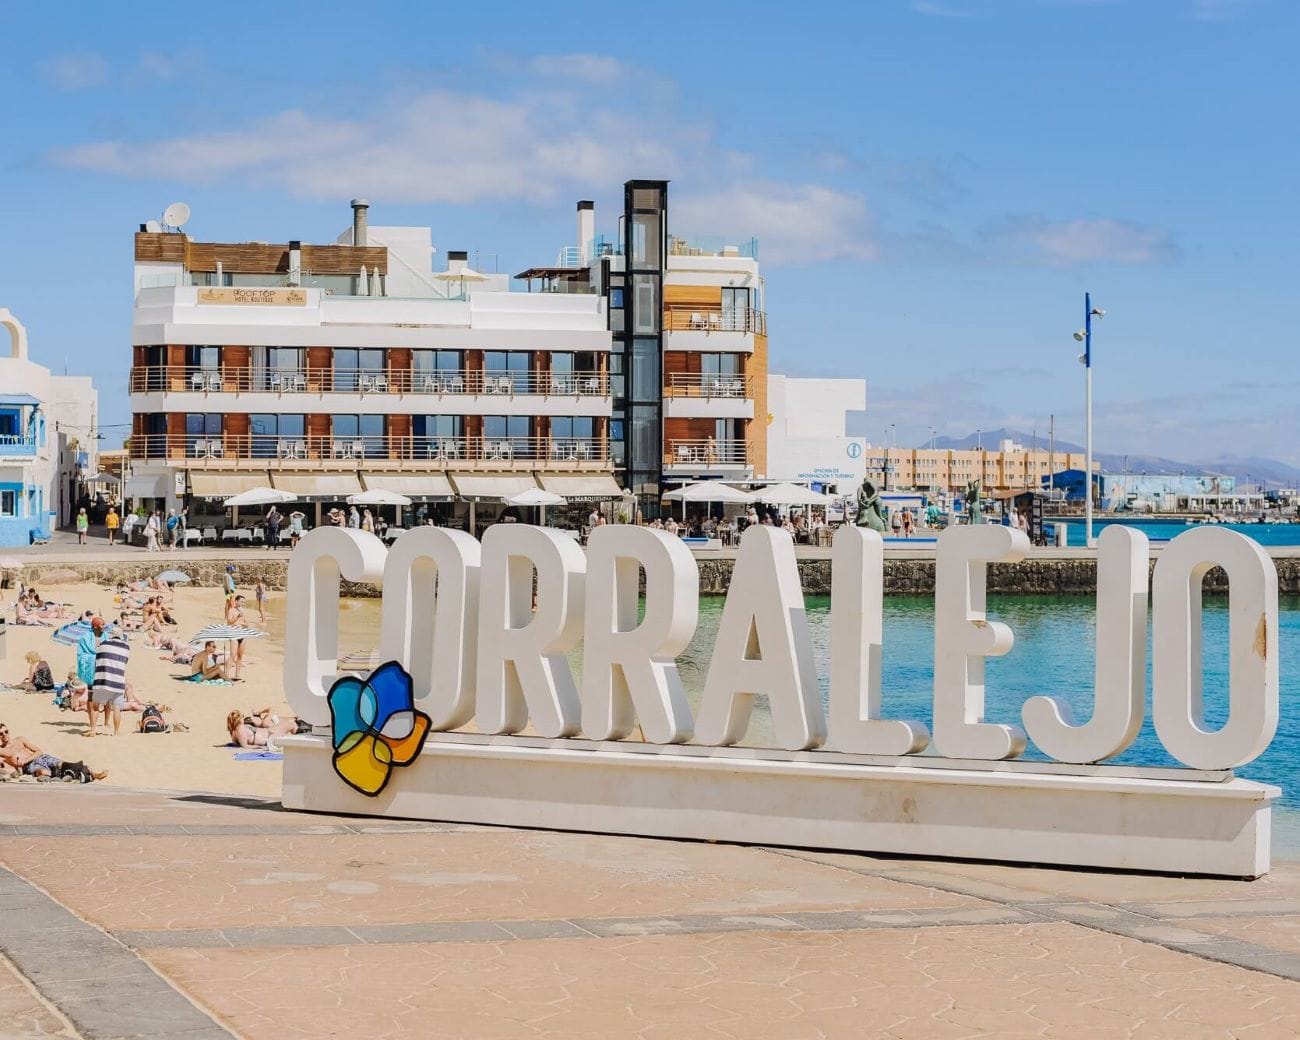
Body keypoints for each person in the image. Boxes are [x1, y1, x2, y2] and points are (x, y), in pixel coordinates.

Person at [0, 725, 106, 782]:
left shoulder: (20, 739)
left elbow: (39, 751)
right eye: (1, 733)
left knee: (63, 764)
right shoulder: (2, 751)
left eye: (6, 731)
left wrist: (26, 759)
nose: (4, 735)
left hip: (41, 758)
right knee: (43, 772)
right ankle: (79, 775)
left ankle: (93, 774)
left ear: (9, 731)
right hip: (30, 766)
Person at [89, 629, 130, 737]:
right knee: (117, 708)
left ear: (111, 636)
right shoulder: (126, 647)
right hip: (118, 681)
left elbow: (97, 657)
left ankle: (93, 729)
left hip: (103, 680)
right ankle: (116, 731)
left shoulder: (103, 644)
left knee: (95, 706)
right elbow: (125, 661)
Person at [76, 616, 106, 719]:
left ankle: (106, 721)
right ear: (95, 626)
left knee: (105, 696)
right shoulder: (85, 638)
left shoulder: (105, 636)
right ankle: (91, 717)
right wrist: (94, 657)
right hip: (91, 671)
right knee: (91, 696)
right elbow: (81, 654)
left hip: (103, 668)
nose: (104, 627)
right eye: (102, 625)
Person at [225, 594, 249, 680]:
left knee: (240, 656)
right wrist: (238, 616)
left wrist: (245, 625)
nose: (243, 603)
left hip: (242, 635)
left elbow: (247, 624)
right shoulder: (231, 610)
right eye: (242, 602)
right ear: (236, 601)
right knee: (232, 655)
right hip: (234, 634)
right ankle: (226, 674)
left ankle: (237, 675)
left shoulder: (243, 611)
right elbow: (229, 622)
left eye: (244, 602)